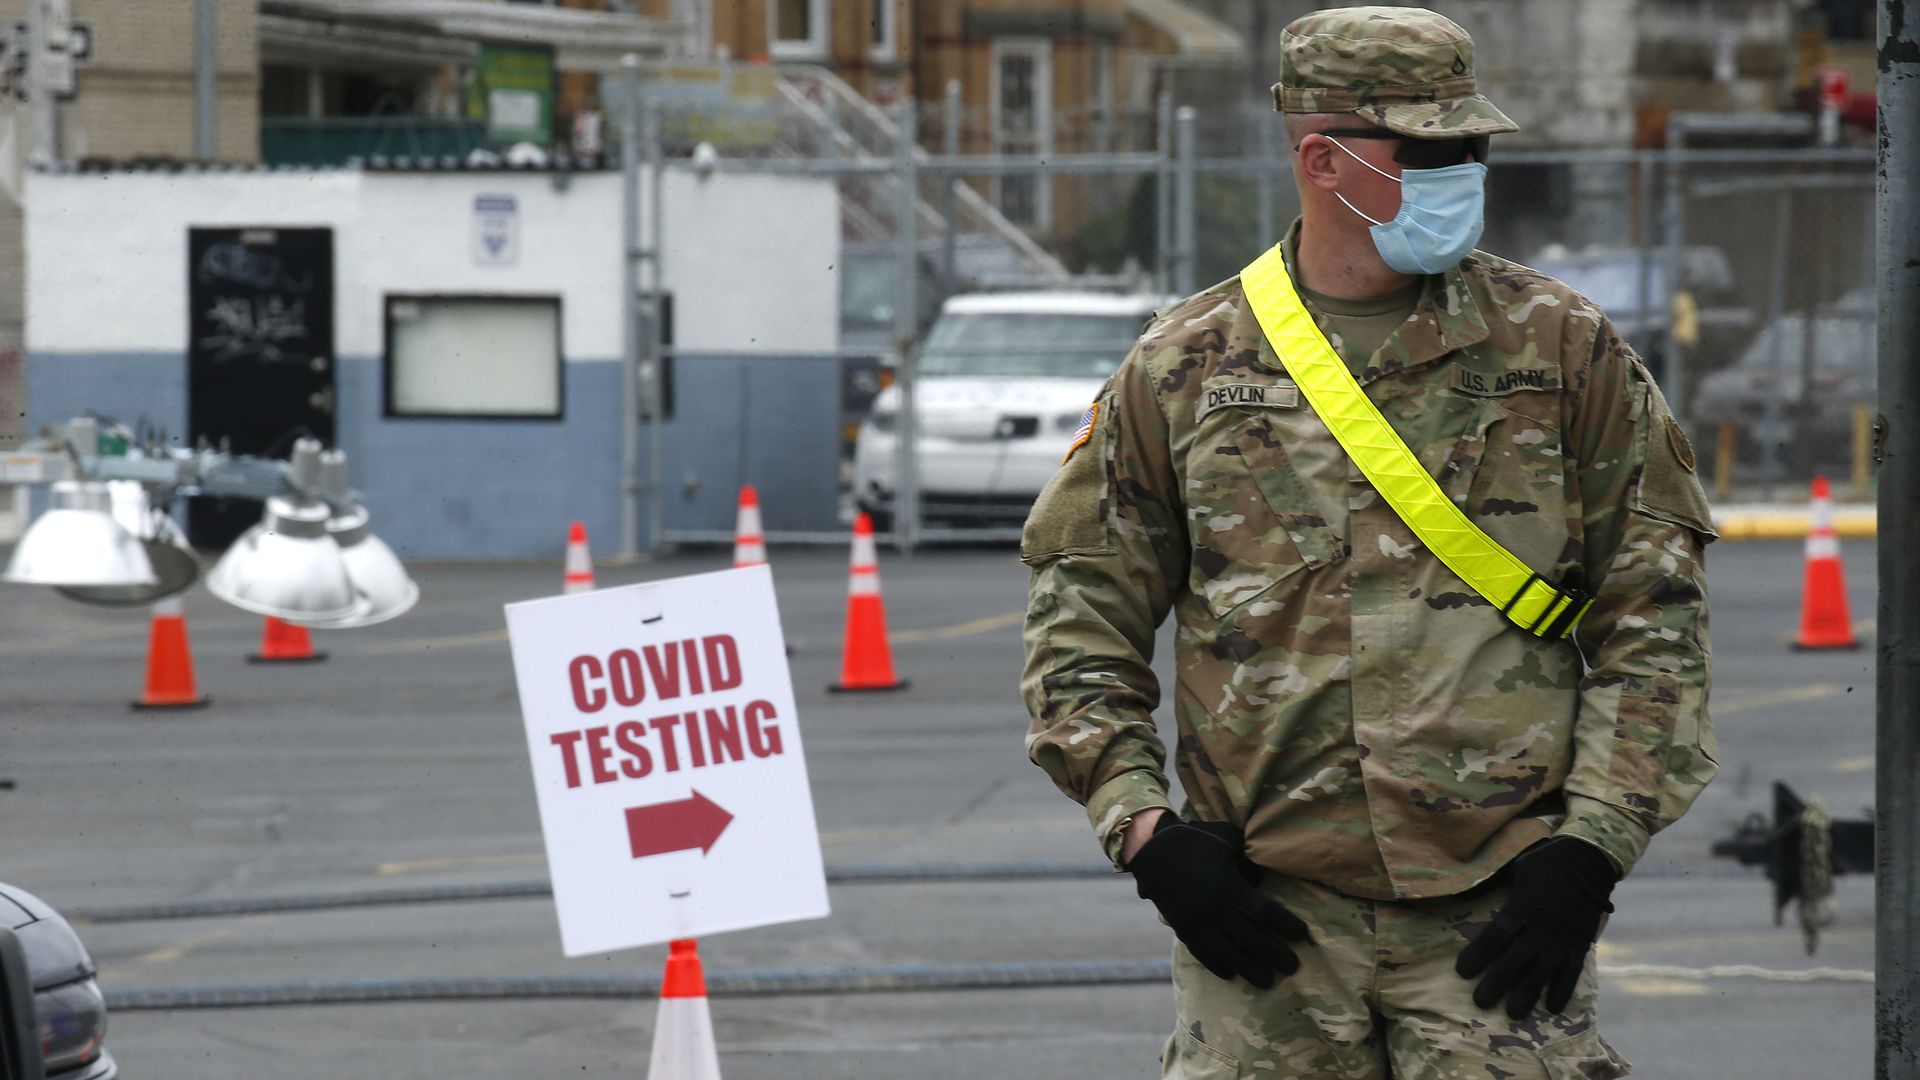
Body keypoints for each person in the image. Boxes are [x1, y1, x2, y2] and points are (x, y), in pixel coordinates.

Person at [1018, 7, 1717, 1077]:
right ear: (1323, 159)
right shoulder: (1183, 368)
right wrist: (1146, 831)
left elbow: (1655, 614)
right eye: (1430, 151)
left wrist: (1593, 845)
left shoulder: (1562, 350)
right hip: (1266, 922)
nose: (1463, 171)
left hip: (1498, 916)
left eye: (1471, 146)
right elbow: (1081, 621)